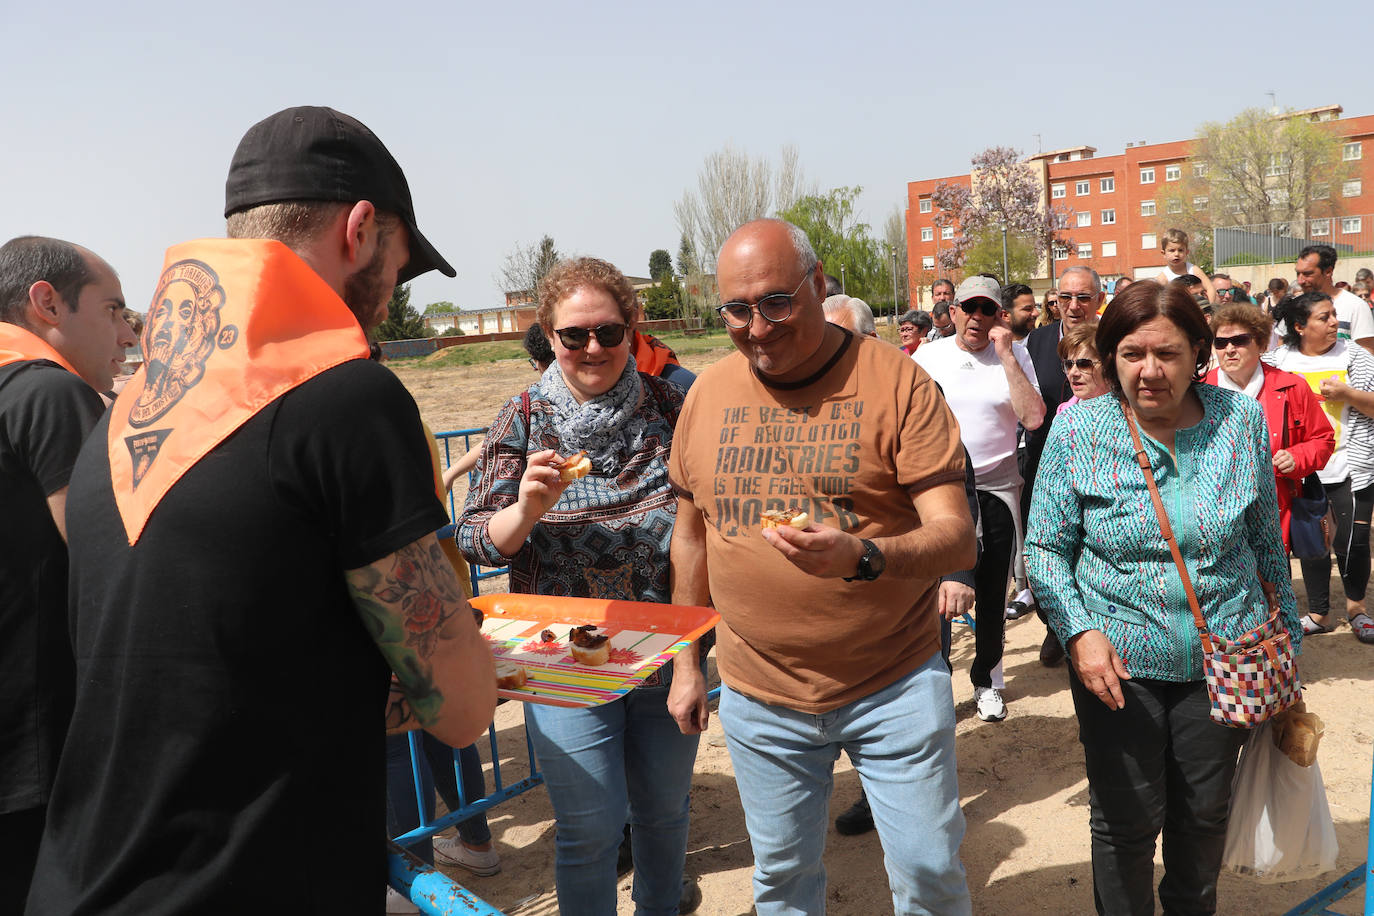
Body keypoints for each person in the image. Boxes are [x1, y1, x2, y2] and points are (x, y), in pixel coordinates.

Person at [26, 106, 496, 915]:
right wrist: (475, 664)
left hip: (82, 883)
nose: (390, 296)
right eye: (400, 261)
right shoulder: (348, 399)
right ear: (358, 230)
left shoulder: (123, 418)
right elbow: (458, 710)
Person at [670, 219, 974, 914]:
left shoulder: (896, 382)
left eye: (777, 302)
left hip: (891, 683)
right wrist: (688, 664)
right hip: (758, 693)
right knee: (780, 881)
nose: (758, 326)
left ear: (817, 283)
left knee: (930, 875)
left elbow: (956, 540)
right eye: (737, 310)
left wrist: (863, 556)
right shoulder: (707, 396)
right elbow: (690, 539)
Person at [1025, 280, 1300, 916]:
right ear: (1110, 356)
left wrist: (1287, 641)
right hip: (1116, 665)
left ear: (1198, 354)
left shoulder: (1239, 421)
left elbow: (1263, 540)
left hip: (1225, 656)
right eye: (1130, 354)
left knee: (1203, 816)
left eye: (1168, 354)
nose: (1149, 372)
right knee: (1125, 820)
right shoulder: (1078, 432)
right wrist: (1079, 633)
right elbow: (1043, 551)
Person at [458, 256, 702, 915]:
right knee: (590, 830)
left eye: (608, 332)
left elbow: (703, 528)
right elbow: (474, 534)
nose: (592, 348)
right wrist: (527, 511)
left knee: (663, 820)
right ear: (549, 334)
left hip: (663, 648)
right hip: (562, 654)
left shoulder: (671, 404)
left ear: (633, 328)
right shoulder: (524, 416)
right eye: (574, 336)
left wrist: (694, 660)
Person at [0, 237, 136, 906]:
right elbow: (115, 568)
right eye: (113, 310)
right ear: (46, 303)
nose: (128, 331)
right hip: (39, 753)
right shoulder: (48, 393)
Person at [916, 275, 1045, 721]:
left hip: (997, 487)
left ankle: (987, 680)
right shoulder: (928, 356)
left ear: (998, 317)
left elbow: (1032, 417)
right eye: (968, 307)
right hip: (939, 490)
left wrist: (1007, 355)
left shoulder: (1015, 354)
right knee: (937, 593)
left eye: (986, 309)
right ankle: (933, 683)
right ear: (952, 312)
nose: (975, 317)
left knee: (991, 594)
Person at [1266, 291, 1374, 644]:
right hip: (1301, 472)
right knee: (1311, 543)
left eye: (1334, 316)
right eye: (1324, 317)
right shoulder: (1278, 360)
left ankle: (1357, 609)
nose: (1334, 324)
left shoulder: (1356, 358)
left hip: (1350, 465)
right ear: (1300, 326)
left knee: (1353, 541)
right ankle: (1318, 613)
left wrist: (1348, 394)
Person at [1019, 266, 1103, 663]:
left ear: (1098, 300)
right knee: (1048, 546)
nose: (1072, 306)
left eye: (1082, 297)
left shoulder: (1114, 336)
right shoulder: (1035, 340)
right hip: (1043, 461)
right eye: (1064, 297)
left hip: (1101, 458)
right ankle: (1056, 626)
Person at [1203, 304, 1334, 553]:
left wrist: (1297, 457)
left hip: (1274, 515)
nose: (1229, 349)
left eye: (1239, 340)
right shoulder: (1200, 390)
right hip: (1215, 517)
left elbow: (1323, 440)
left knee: (1274, 588)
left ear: (1262, 345)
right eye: (1220, 343)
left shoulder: (1292, 386)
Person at [1295, 243, 1374, 354]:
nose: (1300, 281)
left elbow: (1367, 353)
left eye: (1307, 274)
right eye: (1298, 273)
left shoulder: (1356, 306)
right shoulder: (1294, 305)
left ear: (1328, 271)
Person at [1055, 322, 1111, 413]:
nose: (1073, 373)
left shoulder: (1130, 414)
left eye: (1084, 365)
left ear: (1107, 366)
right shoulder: (1063, 413)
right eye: (1068, 365)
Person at [1153, 228, 1217, 303]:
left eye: (1180, 250)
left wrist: (1209, 306)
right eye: (1172, 250)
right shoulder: (1163, 279)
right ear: (1163, 253)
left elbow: (1210, 288)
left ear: (1187, 252)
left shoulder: (1193, 270)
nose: (1176, 254)